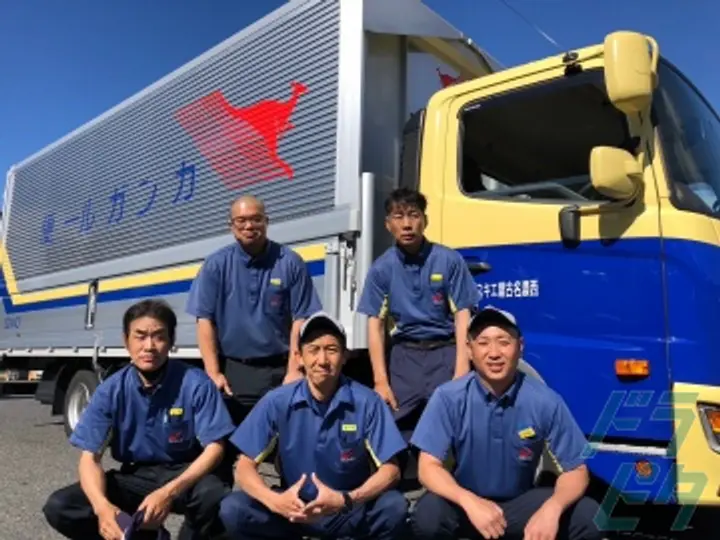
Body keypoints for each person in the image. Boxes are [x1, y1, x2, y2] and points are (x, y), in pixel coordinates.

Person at [42, 299, 235, 540]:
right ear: (126, 341)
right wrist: (102, 508)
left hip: (186, 474)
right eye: (140, 336)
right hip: (137, 476)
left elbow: (216, 448)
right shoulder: (111, 390)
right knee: (61, 506)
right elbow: (89, 458)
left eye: (159, 337)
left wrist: (168, 492)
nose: (149, 346)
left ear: (172, 341)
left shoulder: (196, 383)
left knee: (215, 497)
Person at [409, 306, 604, 540]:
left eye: (504, 342)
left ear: (520, 347)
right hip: (466, 505)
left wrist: (552, 509)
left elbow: (576, 470)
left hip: (519, 505)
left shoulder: (545, 400)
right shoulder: (448, 397)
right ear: (469, 350)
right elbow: (428, 468)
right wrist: (468, 501)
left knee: (588, 515)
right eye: (483, 343)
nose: (494, 353)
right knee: (428, 515)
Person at [218, 311, 410, 540]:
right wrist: (276, 502)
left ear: (345, 356)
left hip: (347, 509)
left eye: (332, 350)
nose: (322, 360)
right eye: (313, 350)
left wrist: (347, 499)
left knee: (394, 507)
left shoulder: (368, 402)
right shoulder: (277, 401)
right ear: (299, 357)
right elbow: (244, 467)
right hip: (293, 511)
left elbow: (391, 470)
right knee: (234, 509)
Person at [186, 194, 323, 425]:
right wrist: (213, 373)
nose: (249, 226)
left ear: (266, 222)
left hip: (279, 371)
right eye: (241, 220)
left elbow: (301, 318)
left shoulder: (290, 262)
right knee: (233, 441)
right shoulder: (216, 265)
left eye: (256, 219)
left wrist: (294, 370)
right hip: (234, 372)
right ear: (231, 226)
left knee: (285, 441)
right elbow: (204, 320)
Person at [356, 187, 480, 441]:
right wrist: (380, 381)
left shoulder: (449, 260)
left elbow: (463, 315)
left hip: (445, 354)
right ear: (388, 225)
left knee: (453, 428)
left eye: (413, 215)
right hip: (404, 359)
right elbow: (375, 325)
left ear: (425, 220)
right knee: (395, 429)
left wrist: (461, 369)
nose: (407, 224)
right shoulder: (382, 269)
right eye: (398, 217)